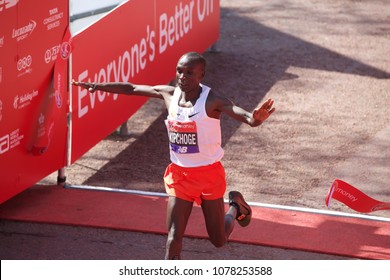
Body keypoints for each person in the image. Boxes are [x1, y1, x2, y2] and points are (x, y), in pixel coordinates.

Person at [72, 51, 275, 259]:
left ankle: (235, 207)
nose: (182, 77)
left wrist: (255, 119)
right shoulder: (169, 94)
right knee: (173, 237)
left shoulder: (212, 100)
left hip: (208, 176)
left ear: (201, 75)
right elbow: (132, 88)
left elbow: (245, 116)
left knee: (219, 240)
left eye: (189, 73)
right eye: (179, 71)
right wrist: (97, 86)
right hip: (179, 176)